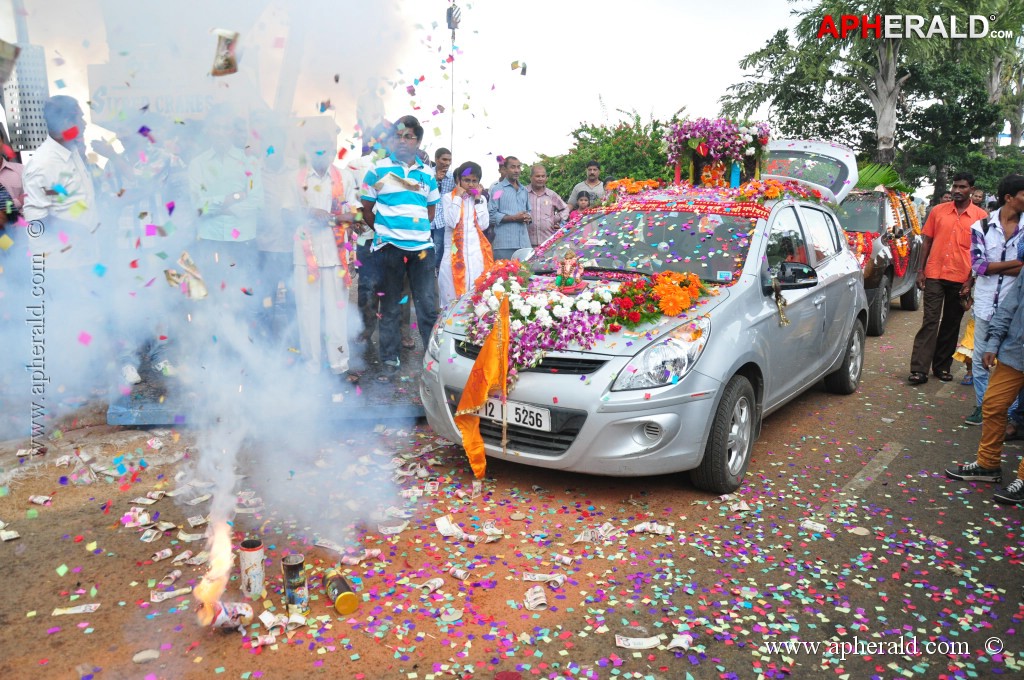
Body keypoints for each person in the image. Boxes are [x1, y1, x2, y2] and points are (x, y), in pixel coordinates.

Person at [945, 179, 1024, 505]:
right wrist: (992, 343)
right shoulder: (983, 226)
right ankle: (989, 464)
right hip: (1014, 345)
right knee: (992, 405)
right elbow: (1008, 297)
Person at [360, 115, 440, 382]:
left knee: (428, 306)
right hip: (389, 248)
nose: (403, 141)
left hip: (422, 249)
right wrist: (387, 232)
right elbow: (367, 210)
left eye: (409, 137)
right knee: (391, 306)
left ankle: (434, 362)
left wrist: (414, 232)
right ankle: (389, 361)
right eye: (399, 136)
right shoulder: (377, 170)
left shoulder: (427, 174)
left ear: (418, 141)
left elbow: (430, 210)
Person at [907, 173, 988, 385]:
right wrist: (920, 270)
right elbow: (927, 242)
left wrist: (970, 281)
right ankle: (919, 369)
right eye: (955, 186)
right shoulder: (938, 211)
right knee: (930, 322)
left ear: (971, 189)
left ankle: (942, 367)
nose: (957, 190)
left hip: (962, 278)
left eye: (962, 187)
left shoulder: (980, 217)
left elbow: (981, 253)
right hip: (935, 273)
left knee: (951, 324)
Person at [294, 129, 360, 381]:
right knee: (308, 312)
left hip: (336, 256)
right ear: (308, 151)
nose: (321, 153)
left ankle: (339, 365)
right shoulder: (296, 178)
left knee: (337, 312)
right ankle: (310, 366)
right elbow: (287, 214)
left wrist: (330, 217)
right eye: (315, 148)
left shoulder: (344, 176)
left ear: (333, 151)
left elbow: (354, 214)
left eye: (326, 148)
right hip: (304, 255)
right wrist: (309, 213)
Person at [964, 174, 1024, 424]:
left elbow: (987, 266)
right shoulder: (982, 227)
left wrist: (993, 266)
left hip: (1017, 308)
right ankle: (983, 405)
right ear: (1009, 198)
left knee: (1014, 362)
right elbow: (978, 266)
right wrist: (1018, 264)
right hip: (986, 304)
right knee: (980, 359)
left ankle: (1012, 414)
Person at [438, 161, 492, 307]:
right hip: (453, 254)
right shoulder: (449, 197)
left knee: (477, 299)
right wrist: (458, 198)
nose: (471, 184)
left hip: (476, 256)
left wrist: (478, 200)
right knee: (451, 300)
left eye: (474, 181)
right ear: (459, 180)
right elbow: (451, 222)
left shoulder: (480, 199)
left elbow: (483, 225)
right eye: (467, 180)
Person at [488, 156, 531, 260]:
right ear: (505, 169)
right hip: (504, 245)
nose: (516, 170)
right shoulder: (498, 190)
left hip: (524, 244)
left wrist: (528, 217)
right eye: (512, 167)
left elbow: (529, 211)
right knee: (504, 275)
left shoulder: (523, 190)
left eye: (518, 167)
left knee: (525, 275)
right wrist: (514, 218)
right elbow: (491, 215)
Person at [526, 164, 569, 246]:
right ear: (530, 177)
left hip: (547, 242)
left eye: (543, 176)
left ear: (546, 178)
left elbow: (565, 209)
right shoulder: (523, 193)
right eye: (537, 176)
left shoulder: (551, 195)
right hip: (527, 242)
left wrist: (555, 219)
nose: (540, 179)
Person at [430, 147, 454, 272]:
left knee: (439, 249)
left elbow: (462, 193)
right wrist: (435, 180)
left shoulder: (452, 177)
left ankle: (436, 273)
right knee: (426, 249)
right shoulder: (427, 174)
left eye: (449, 160)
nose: (447, 163)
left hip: (442, 221)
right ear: (436, 159)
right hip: (427, 218)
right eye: (444, 159)